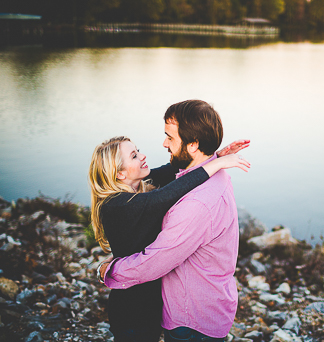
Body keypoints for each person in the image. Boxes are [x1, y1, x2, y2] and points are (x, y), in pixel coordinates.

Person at [100, 99, 243, 342]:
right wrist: (216, 158)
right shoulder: (215, 175)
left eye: (170, 137)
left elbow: (154, 262)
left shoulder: (196, 203)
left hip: (191, 321)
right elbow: (171, 182)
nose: (164, 143)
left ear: (193, 144)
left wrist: (110, 270)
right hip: (207, 306)